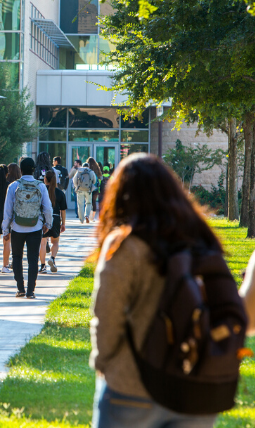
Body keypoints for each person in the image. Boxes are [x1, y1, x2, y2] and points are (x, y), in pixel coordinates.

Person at [90, 153, 222, 428]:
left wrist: (103, 363)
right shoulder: (200, 239)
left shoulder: (126, 244)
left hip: (132, 386)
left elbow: (108, 314)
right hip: (195, 389)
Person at [2, 157, 53, 299]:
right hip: (35, 227)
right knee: (33, 259)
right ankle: (31, 291)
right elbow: (48, 208)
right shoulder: (40, 186)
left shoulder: (13, 186)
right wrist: (47, 224)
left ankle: (20, 289)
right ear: (34, 169)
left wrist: (5, 230)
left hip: (17, 227)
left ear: (21, 169)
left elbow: (7, 210)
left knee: (17, 257)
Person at [38, 170, 67, 274]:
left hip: (43, 218)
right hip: (55, 219)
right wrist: (63, 223)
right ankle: (52, 258)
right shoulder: (60, 193)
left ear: (45, 179)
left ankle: (42, 266)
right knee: (55, 242)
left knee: (43, 243)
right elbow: (63, 210)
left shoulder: (41, 191)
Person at [88, 157, 103, 222]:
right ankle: (93, 217)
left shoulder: (87, 169)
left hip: (88, 187)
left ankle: (87, 215)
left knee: (88, 202)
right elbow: (101, 178)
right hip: (96, 188)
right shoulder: (97, 169)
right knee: (94, 201)